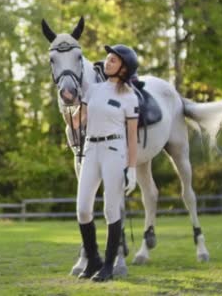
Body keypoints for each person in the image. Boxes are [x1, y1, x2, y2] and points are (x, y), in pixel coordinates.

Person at [68, 44, 139, 282]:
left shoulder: (129, 97)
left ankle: (108, 266)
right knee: (83, 209)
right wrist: (71, 104)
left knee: (111, 208)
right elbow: (78, 122)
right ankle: (94, 259)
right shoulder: (93, 90)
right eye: (107, 59)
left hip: (114, 150)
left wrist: (132, 168)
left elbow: (132, 137)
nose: (107, 62)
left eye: (113, 60)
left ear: (124, 68)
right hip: (90, 149)